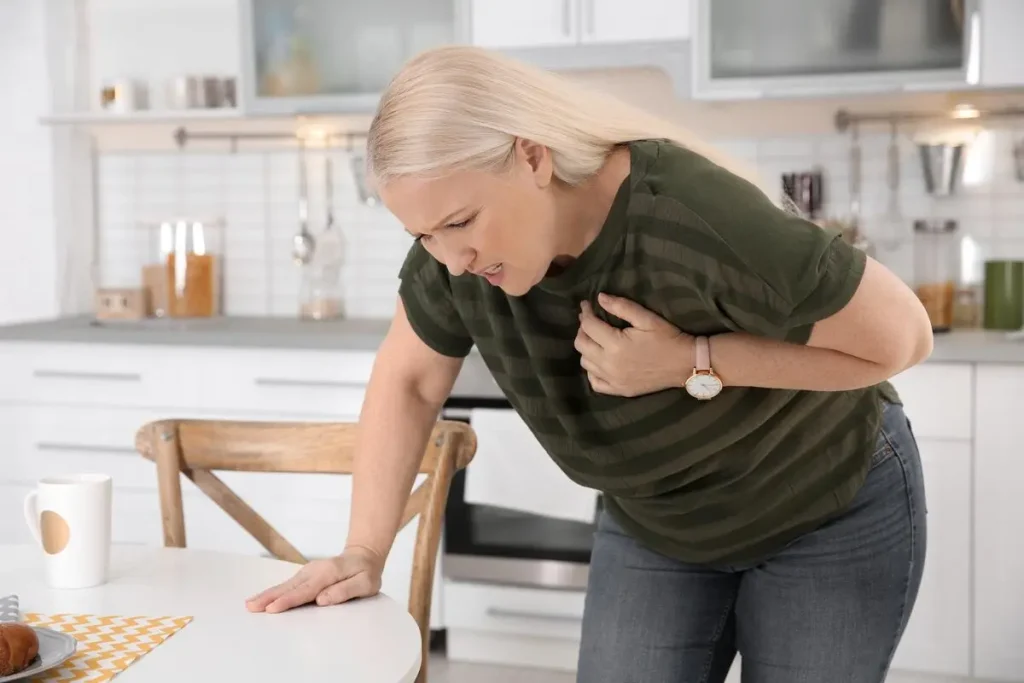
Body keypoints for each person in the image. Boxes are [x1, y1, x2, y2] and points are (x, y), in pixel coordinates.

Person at [246, 45, 932, 683]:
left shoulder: (687, 211)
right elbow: (410, 378)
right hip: (658, 521)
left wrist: (694, 360)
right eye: (423, 235)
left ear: (532, 158)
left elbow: (902, 338)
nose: (450, 258)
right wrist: (365, 550)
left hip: (822, 501)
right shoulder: (450, 260)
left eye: (459, 222)